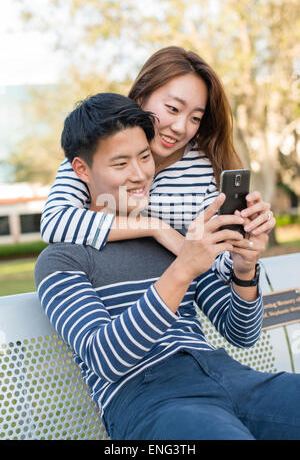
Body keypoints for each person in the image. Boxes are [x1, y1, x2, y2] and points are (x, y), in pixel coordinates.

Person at [35, 93, 300, 440]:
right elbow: (106, 359)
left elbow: (242, 333)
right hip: (152, 400)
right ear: (82, 170)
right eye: (120, 164)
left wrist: (244, 268)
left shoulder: (174, 238)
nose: (139, 174)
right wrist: (182, 270)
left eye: (145, 157)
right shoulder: (62, 260)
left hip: (230, 378)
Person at [40, 46, 275, 283]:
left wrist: (246, 245)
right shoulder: (98, 153)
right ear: (141, 97)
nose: (180, 127)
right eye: (172, 109)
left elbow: (220, 266)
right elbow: (55, 222)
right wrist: (155, 227)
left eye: (195, 118)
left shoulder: (202, 171)